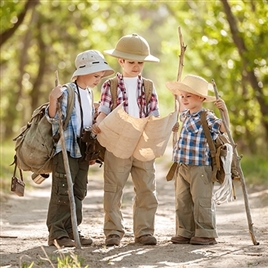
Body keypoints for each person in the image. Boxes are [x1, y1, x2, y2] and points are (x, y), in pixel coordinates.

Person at [92, 33, 160, 246]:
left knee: (147, 188)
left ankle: (144, 231)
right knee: (114, 187)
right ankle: (113, 231)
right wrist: (98, 124)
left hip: (142, 142)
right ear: (121, 61)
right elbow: (103, 109)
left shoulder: (148, 86)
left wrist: (159, 128)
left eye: (140, 62)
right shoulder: (109, 85)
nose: (136, 66)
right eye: (131, 62)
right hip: (118, 141)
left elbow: (154, 113)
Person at [45, 50, 114, 247]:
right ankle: (57, 233)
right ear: (82, 72)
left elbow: (86, 122)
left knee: (79, 190)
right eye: (95, 75)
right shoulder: (66, 91)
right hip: (66, 149)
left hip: (83, 150)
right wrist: (52, 100)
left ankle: (72, 229)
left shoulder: (90, 93)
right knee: (63, 190)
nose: (98, 80)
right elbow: (52, 118)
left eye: (100, 76)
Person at [165, 74, 229, 245]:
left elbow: (224, 128)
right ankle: (185, 231)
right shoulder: (185, 115)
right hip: (182, 165)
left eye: (188, 96)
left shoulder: (206, 117)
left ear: (200, 98)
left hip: (200, 166)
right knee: (182, 200)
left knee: (201, 200)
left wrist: (224, 112)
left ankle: (206, 233)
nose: (184, 99)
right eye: (182, 96)